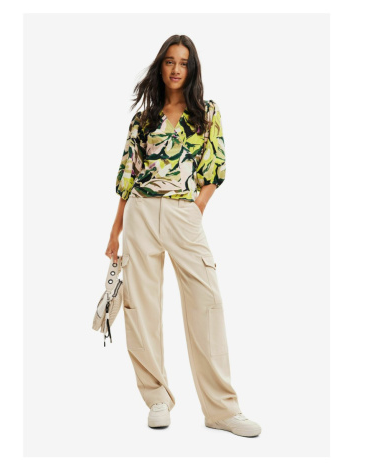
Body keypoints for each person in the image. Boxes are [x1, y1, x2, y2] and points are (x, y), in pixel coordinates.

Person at [105, 35, 262, 438]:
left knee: (207, 303)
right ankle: (157, 398)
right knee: (142, 307)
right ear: (160, 66)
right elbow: (128, 175)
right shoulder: (143, 119)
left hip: (183, 213)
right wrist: (115, 232)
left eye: (184, 62)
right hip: (140, 213)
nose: (176, 69)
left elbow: (215, 166)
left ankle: (222, 410)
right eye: (170, 61)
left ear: (192, 69)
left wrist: (197, 208)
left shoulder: (206, 113)